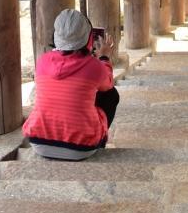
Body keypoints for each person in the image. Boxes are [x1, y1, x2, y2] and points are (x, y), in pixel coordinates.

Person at [23, 9, 120, 160]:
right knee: (111, 95)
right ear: (89, 37)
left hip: (39, 142)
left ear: (56, 35)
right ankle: (98, 140)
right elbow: (108, 84)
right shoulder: (94, 66)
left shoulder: (43, 61)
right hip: (82, 148)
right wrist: (104, 57)